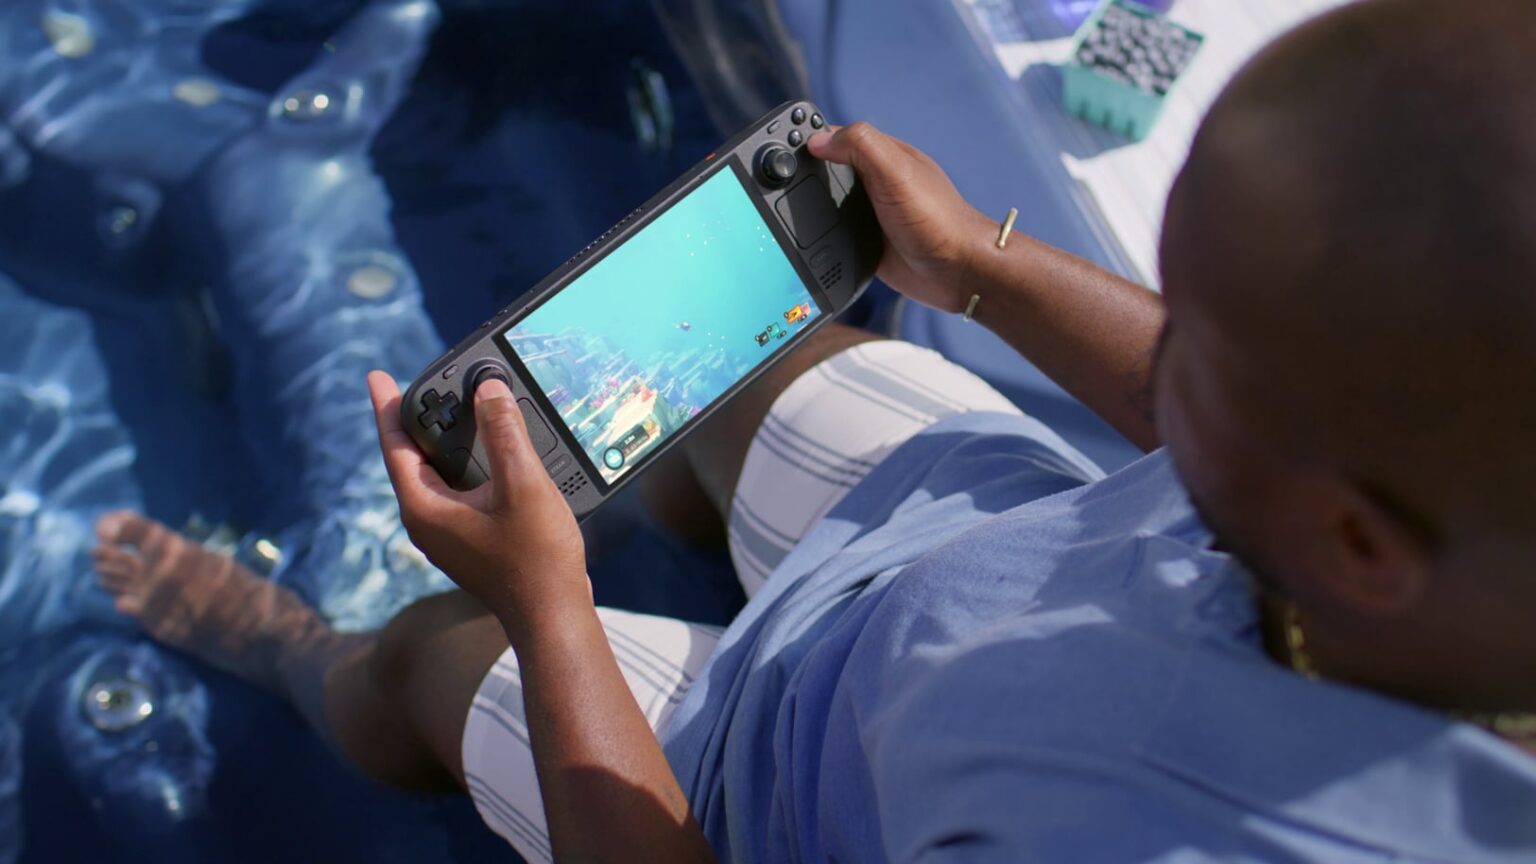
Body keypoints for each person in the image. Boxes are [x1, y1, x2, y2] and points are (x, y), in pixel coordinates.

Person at [90, 0, 1536, 859]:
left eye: (1202, 345)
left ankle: (294, 649)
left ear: (1354, 539)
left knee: (424, 658)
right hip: (988, 535)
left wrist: (547, 610)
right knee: (737, 372)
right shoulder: (1431, 541)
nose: (1167, 344)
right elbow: (1202, 410)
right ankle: (662, 509)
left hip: (753, 786)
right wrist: (984, 269)